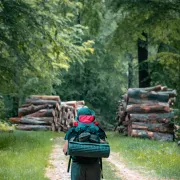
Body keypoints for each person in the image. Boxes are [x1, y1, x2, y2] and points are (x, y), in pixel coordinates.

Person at [63, 106, 106, 180]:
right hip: (94, 165)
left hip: (77, 166)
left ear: (78, 117)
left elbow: (65, 150)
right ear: (91, 117)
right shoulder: (98, 130)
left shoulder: (73, 131)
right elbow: (103, 147)